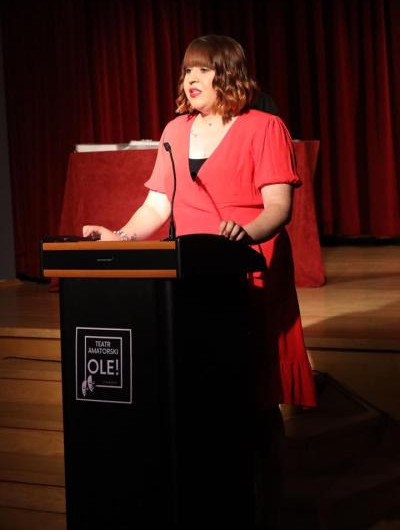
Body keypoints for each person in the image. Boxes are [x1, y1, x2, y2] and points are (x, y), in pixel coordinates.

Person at [83, 34, 316, 527]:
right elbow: (158, 206)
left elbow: (279, 207)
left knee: (255, 398)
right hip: (192, 275)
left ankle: (268, 510)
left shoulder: (264, 127)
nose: (191, 79)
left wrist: (245, 234)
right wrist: (120, 237)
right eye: (187, 70)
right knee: (202, 392)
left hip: (249, 271)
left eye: (203, 69)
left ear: (227, 73)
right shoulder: (174, 130)